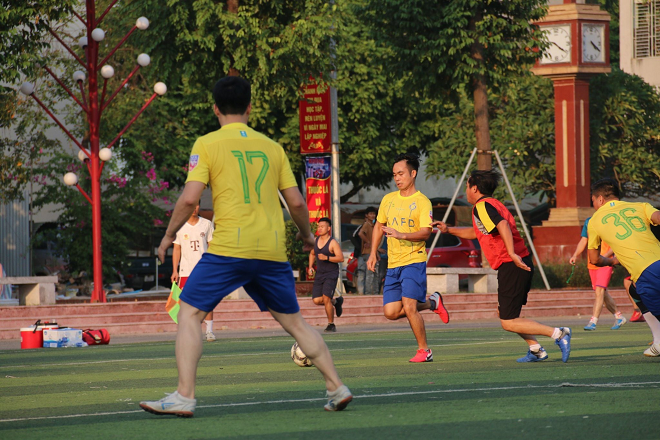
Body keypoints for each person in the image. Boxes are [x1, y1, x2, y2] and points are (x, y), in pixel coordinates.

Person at [140, 77, 351, 417]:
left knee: (189, 313)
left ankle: (184, 395)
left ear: (215, 108)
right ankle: (336, 387)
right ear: (250, 107)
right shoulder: (272, 147)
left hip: (229, 248)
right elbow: (297, 203)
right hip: (270, 250)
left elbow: (190, 198)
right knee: (296, 323)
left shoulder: (207, 144)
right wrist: (307, 236)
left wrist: (168, 236)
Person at [432, 170, 572, 363]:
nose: (466, 190)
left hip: (512, 263)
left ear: (475, 188)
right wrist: (449, 229)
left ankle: (559, 334)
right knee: (506, 314)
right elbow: (478, 233)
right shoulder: (493, 204)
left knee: (507, 322)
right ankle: (535, 349)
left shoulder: (481, 206)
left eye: (467, 186)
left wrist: (512, 254)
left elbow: (503, 225)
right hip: (517, 262)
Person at [367, 153, 450, 363]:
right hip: (393, 263)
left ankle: (425, 351)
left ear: (413, 174)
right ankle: (432, 303)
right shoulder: (388, 199)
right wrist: (373, 252)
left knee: (410, 306)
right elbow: (379, 225)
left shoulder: (422, 202)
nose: (397, 178)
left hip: (413, 260)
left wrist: (401, 234)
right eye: (394, 174)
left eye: (401, 173)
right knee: (391, 312)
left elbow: (426, 232)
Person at [586, 178, 660, 356]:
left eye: (593, 200)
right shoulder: (641, 206)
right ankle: (658, 341)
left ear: (600, 199)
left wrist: (611, 261)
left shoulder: (594, 221)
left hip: (646, 271)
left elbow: (594, 259)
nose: (593, 204)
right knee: (635, 291)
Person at [569, 217, 626, 331]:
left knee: (599, 291)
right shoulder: (588, 221)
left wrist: (604, 259)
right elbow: (584, 240)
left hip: (605, 262)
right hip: (592, 263)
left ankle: (593, 321)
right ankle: (619, 316)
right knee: (602, 293)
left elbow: (614, 243)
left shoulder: (609, 220)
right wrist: (575, 255)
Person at [171, 203, 216, 341]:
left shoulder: (206, 224)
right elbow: (177, 249)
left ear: (199, 207)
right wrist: (174, 270)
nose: (194, 209)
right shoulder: (180, 225)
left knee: (207, 300)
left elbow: (212, 246)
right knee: (186, 303)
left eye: (196, 205)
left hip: (204, 270)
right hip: (186, 270)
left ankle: (209, 331)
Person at [308, 217, 345, 332]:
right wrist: (310, 267)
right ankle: (336, 302)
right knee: (316, 300)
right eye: (318, 226)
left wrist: (327, 257)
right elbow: (312, 253)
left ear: (328, 228)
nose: (319, 228)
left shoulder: (332, 242)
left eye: (322, 226)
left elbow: (341, 258)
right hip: (320, 274)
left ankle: (331, 324)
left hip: (331, 273)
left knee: (326, 298)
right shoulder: (315, 241)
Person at [356, 207, 379, 295]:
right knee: (370, 273)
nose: (373, 215)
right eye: (371, 214)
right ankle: (368, 292)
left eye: (374, 214)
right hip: (367, 252)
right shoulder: (366, 224)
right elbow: (360, 233)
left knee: (375, 273)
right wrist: (367, 241)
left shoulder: (373, 225)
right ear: (366, 215)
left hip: (372, 251)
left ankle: (375, 292)